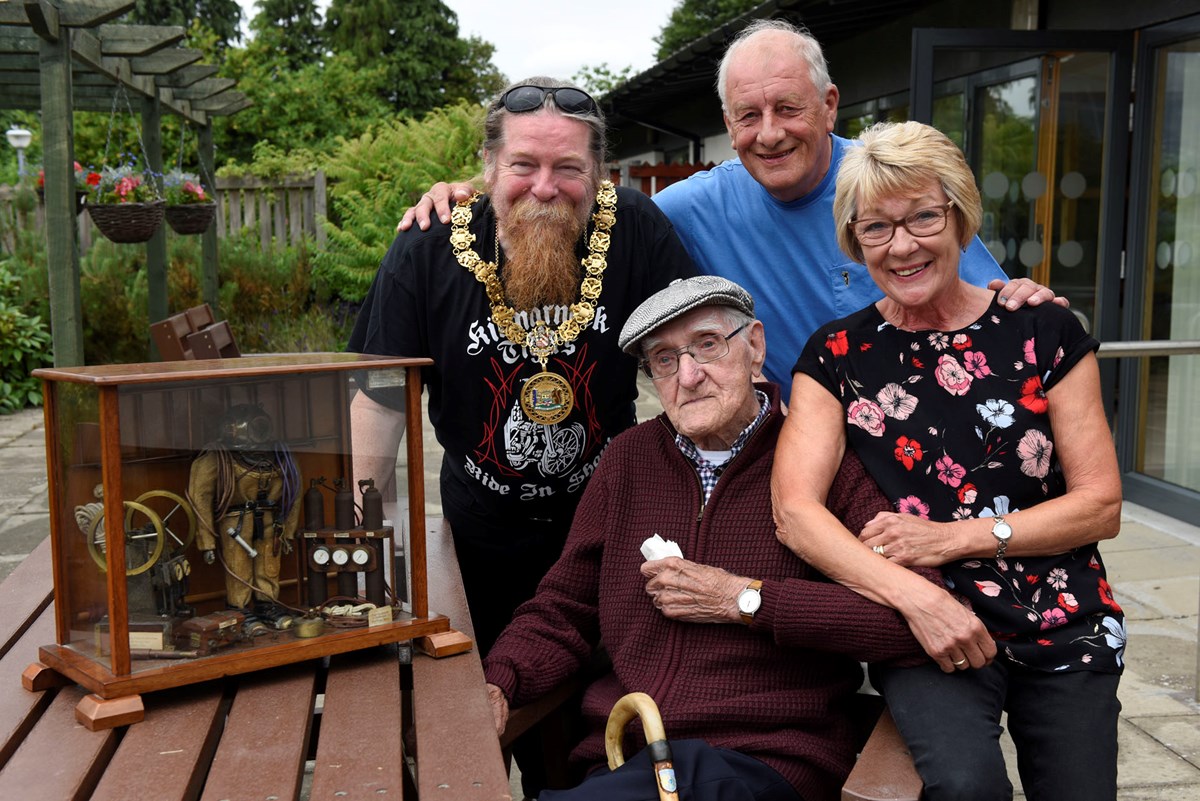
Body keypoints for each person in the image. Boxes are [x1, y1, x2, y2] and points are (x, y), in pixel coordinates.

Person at [346, 76, 694, 798]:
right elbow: (378, 403)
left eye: (568, 168)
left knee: (591, 733)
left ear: (597, 172)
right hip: (477, 540)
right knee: (471, 727)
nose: (545, 187)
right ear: (488, 168)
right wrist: (354, 542)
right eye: (524, 166)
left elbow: (692, 368)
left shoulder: (636, 230)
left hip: (604, 532)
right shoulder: (425, 250)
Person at [398, 20, 1059, 396]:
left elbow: (988, 301)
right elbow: (560, 195)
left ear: (829, 104)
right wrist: (475, 196)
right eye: (749, 115)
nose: (769, 132)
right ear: (727, 121)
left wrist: (1025, 300)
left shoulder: (889, 183)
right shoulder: (691, 206)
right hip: (803, 444)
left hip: (927, 423)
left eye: (789, 108)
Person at [771, 120, 1124, 801]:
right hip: (927, 627)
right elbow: (795, 511)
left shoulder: (1042, 330)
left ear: (960, 217)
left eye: (923, 217)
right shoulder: (837, 355)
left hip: (1064, 616)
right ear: (854, 241)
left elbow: (1101, 504)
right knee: (966, 787)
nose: (902, 245)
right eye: (876, 227)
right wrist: (913, 594)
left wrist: (954, 537)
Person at [483, 275, 937, 801]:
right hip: (632, 759)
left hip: (766, 763)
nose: (689, 376)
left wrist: (743, 599)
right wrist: (500, 681)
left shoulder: (825, 459)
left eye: (707, 345)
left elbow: (911, 623)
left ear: (755, 346)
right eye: (665, 359)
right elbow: (563, 607)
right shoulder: (628, 460)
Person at [187, 403, 301, 634]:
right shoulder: (217, 459)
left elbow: (294, 492)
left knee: (269, 563)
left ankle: (267, 606)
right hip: (235, 522)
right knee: (239, 566)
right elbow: (200, 498)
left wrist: (288, 531)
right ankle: (238, 610)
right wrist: (207, 542)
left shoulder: (280, 457)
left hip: (270, 519)